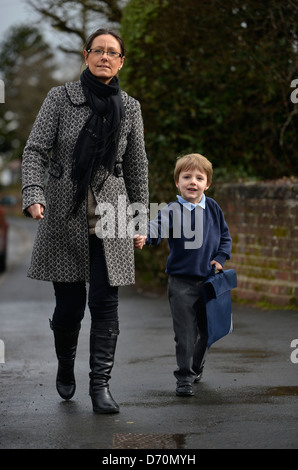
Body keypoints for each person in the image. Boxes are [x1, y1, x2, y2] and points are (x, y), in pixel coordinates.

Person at [22, 28, 149, 413]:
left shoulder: (130, 107)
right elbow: (34, 150)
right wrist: (33, 194)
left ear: (121, 61)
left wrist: (140, 220)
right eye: (99, 51)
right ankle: (65, 363)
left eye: (113, 53)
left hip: (111, 218)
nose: (105, 57)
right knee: (70, 308)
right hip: (63, 214)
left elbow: (137, 167)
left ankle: (101, 386)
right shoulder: (60, 98)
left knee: (105, 305)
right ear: (86, 54)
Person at [134, 153, 232, 397]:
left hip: (209, 282)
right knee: (186, 334)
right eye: (186, 176)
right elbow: (157, 226)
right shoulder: (172, 210)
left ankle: (196, 367)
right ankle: (184, 378)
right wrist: (146, 236)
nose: (193, 181)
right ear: (177, 182)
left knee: (208, 331)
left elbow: (225, 239)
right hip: (181, 283)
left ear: (207, 184)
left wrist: (220, 260)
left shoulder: (213, 208)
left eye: (199, 177)